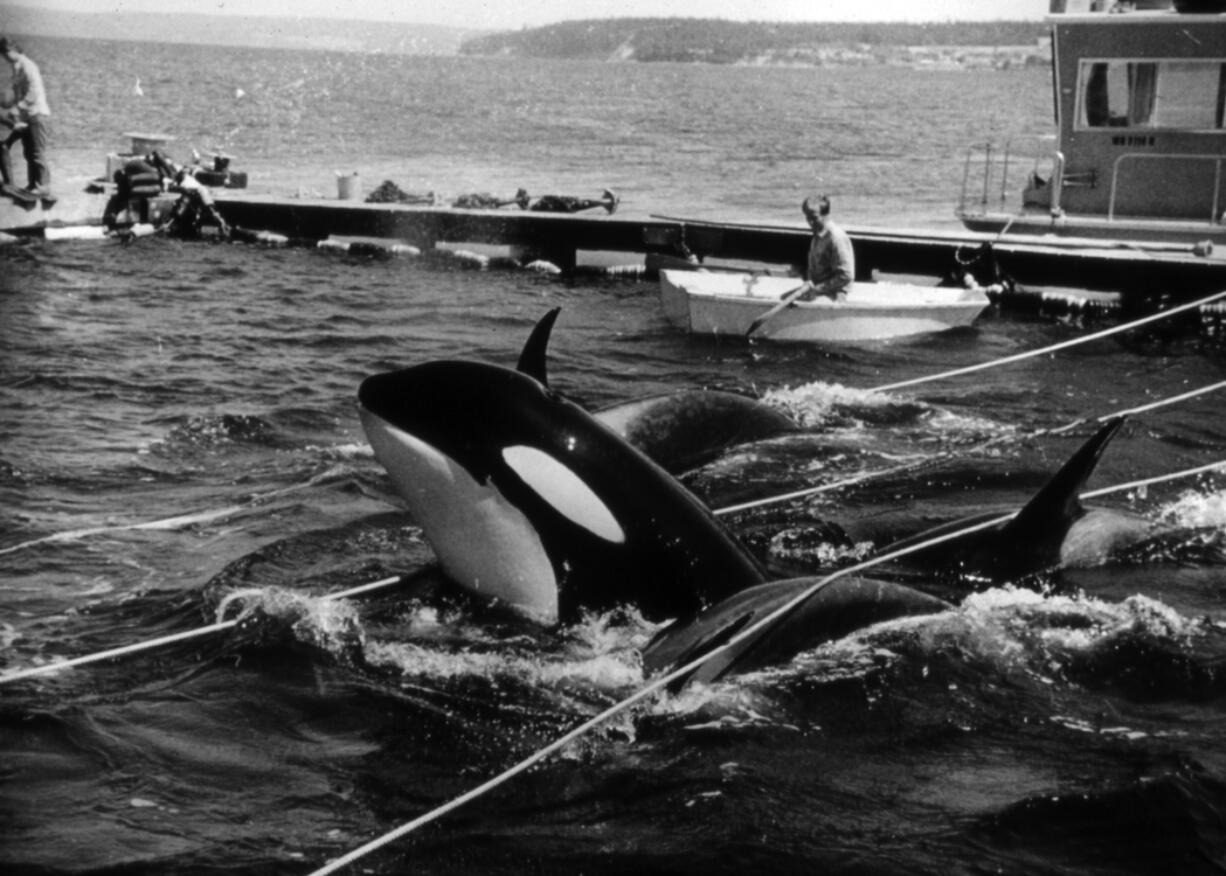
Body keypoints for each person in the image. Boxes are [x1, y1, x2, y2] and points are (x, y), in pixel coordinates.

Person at [0, 38, 52, 199]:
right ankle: (32, 183)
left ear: (14, 50)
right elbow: (17, 94)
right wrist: (8, 103)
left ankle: (43, 185)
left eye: (6, 54)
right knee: (28, 152)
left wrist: (18, 107)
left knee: (37, 152)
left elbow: (33, 93)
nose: (5, 58)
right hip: (28, 116)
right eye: (3, 55)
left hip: (36, 114)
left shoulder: (28, 66)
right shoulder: (17, 67)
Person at [797, 194, 855, 301]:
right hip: (818, 290)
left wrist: (817, 289)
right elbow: (812, 269)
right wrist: (809, 281)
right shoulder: (817, 235)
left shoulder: (836, 237)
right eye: (807, 217)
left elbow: (846, 276)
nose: (810, 222)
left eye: (814, 218)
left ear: (825, 215)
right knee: (784, 298)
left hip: (836, 293)